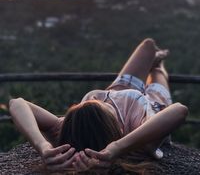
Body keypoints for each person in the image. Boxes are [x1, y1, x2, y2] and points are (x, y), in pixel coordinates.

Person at [9, 38, 188, 173]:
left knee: (148, 46)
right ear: (112, 126)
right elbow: (179, 110)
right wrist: (117, 148)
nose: (99, 98)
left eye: (90, 101)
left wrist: (42, 146)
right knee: (156, 71)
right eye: (102, 105)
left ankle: (155, 57)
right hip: (154, 101)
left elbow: (17, 103)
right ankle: (159, 64)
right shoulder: (135, 129)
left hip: (121, 87)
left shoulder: (74, 127)